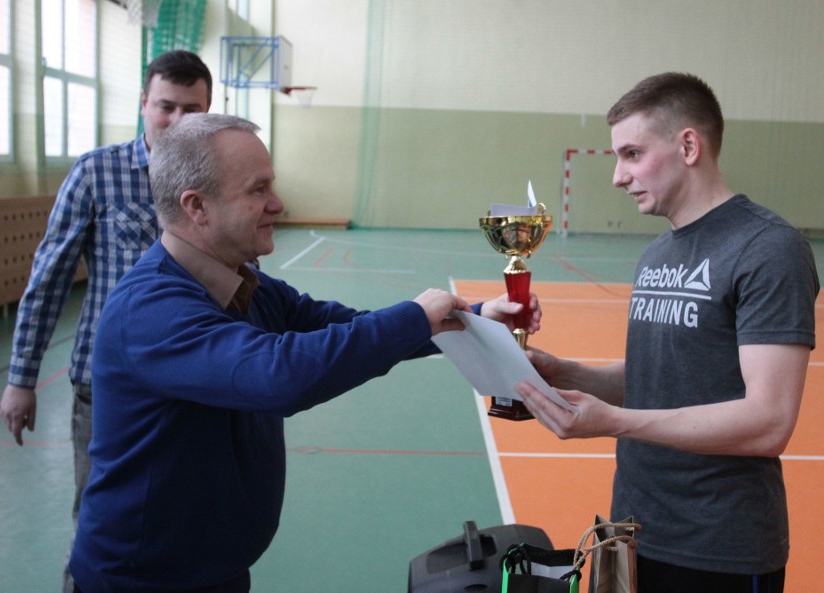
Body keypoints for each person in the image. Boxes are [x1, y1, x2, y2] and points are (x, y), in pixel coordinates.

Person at [67, 112, 540, 592]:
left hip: (211, 572)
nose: (278, 203)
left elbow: (342, 327)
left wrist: (472, 318)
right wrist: (416, 316)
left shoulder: (245, 284)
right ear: (197, 207)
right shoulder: (150, 309)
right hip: (139, 583)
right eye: (258, 189)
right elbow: (278, 375)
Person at [515, 73, 818, 593]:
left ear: (689, 145)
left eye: (632, 154)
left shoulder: (767, 248)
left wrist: (614, 422)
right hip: (629, 533)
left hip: (717, 547)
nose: (617, 175)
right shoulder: (657, 253)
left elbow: (769, 421)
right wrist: (563, 373)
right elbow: (663, 378)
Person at [0, 50, 213, 593]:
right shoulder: (97, 172)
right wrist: (21, 380)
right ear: (143, 103)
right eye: (166, 106)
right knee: (101, 524)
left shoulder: (219, 179)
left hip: (197, 384)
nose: (178, 121)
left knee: (187, 521)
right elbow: (48, 278)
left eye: (194, 109)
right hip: (108, 389)